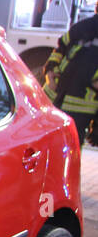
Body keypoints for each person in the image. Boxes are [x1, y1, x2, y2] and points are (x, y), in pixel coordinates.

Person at [43, 12, 98, 146]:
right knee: (42, 146)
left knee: (69, 151)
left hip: (80, 110)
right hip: (51, 99)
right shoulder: (83, 27)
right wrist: (50, 70)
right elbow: (60, 48)